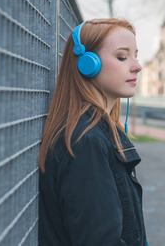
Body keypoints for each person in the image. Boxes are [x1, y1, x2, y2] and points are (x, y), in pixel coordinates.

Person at [38, 18, 147, 245]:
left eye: (135, 55)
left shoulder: (97, 133)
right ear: (88, 63)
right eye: (122, 56)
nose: (137, 65)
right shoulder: (85, 142)